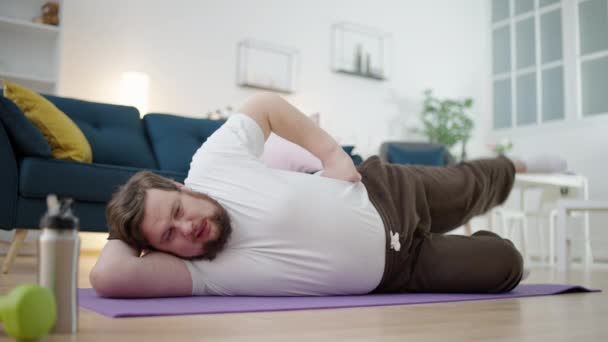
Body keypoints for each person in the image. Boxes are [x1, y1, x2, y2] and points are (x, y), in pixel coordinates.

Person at [90, 93, 565, 298]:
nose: (186, 227)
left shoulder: (212, 165)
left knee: (470, 185)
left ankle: (519, 165)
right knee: (505, 264)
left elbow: (266, 106)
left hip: (388, 194)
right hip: (403, 270)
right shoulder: (199, 273)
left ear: (180, 187)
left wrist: (334, 156)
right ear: (157, 249)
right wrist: (130, 219)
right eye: (169, 234)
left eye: (177, 210)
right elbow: (109, 276)